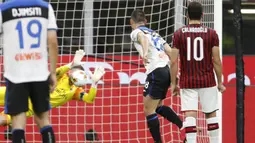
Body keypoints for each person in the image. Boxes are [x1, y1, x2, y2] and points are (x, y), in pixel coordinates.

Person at [0, 0, 59, 142]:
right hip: (39, 72)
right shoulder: (45, 6)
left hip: (15, 73)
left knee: (18, 121)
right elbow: (52, 41)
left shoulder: (4, 8)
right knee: (43, 119)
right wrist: (52, 72)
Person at [0, 50, 105, 127]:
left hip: (29, 107)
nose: (72, 72)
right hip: (23, 92)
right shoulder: (61, 76)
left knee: (3, 120)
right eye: (72, 69)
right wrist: (70, 64)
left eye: (74, 70)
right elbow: (55, 73)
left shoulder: (75, 92)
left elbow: (89, 99)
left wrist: (94, 83)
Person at [169, 1, 226, 143]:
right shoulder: (212, 34)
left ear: (187, 15)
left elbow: (173, 61)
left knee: (190, 115)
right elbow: (217, 60)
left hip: (187, 81)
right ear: (203, 15)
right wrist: (220, 82)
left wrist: (173, 83)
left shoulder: (178, 34)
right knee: (211, 114)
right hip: (207, 80)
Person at [130, 9, 183, 143]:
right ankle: (183, 126)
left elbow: (143, 39)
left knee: (148, 109)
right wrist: (174, 74)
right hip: (165, 69)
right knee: (157, 106)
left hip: (156, 71)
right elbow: (171, 52)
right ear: (146, 21)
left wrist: (145, 53)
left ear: (132, 22)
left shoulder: (136, 32)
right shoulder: (155, 34)